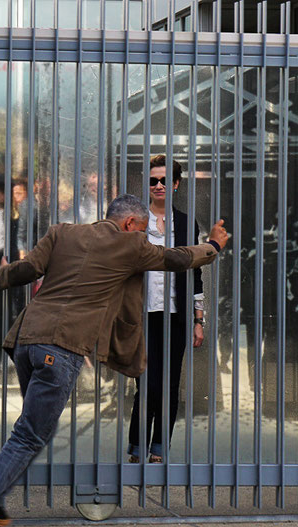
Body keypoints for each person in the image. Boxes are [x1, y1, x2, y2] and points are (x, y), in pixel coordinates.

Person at [0, 194, 228, 527]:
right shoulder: (130, 245)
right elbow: (177, 258)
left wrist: (1, 274)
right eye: (142, 229)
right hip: (61, 348)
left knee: (30, 431)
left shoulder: (62, 232)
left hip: (26, 341)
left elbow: (28, 269)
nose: (143, 236)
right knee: (30, 434)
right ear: (129, 224)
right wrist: (213, 245)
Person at [127, 156, 204, 463]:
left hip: (177, 315)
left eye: (164, 181)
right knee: (146, 381)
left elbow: (195, 271)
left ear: (175, 185)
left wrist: (199, 319)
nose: (158, 186)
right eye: (152, 180)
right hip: (141, 314)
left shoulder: (186, 222)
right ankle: (137, 446)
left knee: (170, 384)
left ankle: (159, 448)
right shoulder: (134, 223)